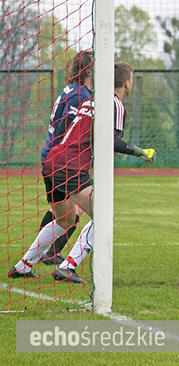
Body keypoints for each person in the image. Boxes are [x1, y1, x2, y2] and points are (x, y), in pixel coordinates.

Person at [9, 62, 156, 283]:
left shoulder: (91, 100)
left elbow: (69, 129)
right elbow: (112, 141)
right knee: (105, 216)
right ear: (127, 83)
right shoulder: (114, 104)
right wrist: (141, 152)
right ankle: (68, 267)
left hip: (53, 162)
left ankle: (22, 267)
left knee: (65, 220)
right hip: (71, 166)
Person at [37, 50, 94, 266]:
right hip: (62, 160)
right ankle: (56, 256)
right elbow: (68, 127)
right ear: (89, 70)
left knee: (62, 211)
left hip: (53, 156)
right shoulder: (81, 95)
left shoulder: (71, 89)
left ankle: (38, 256)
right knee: (79, 210)